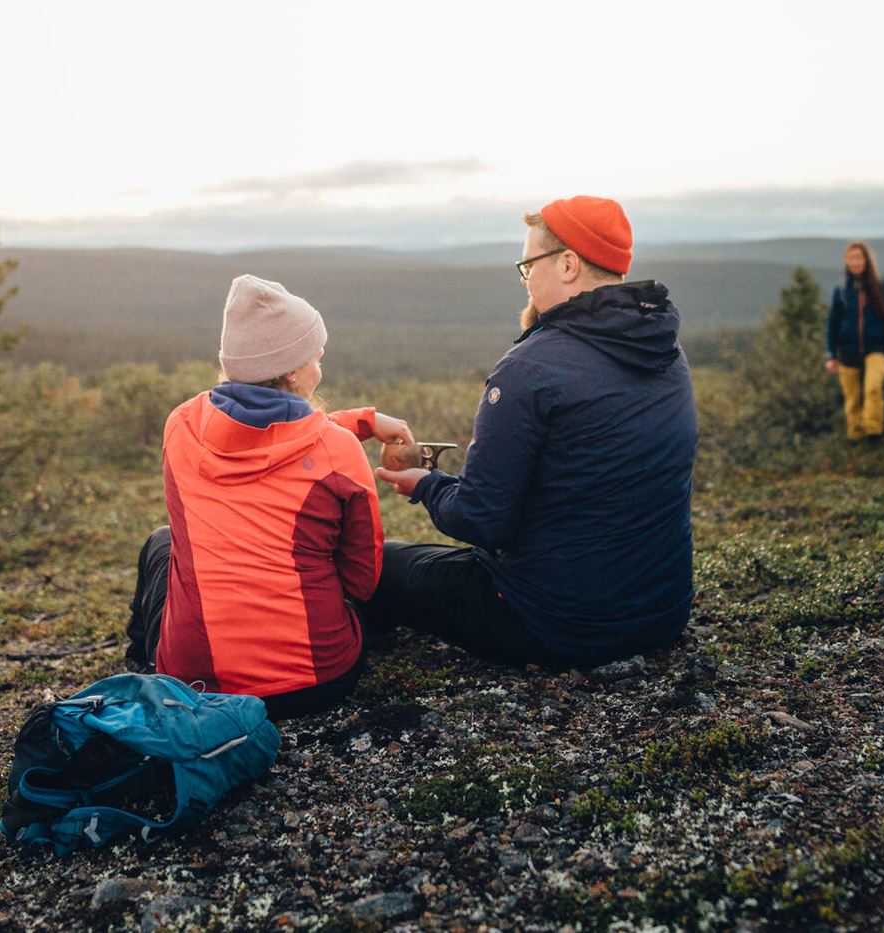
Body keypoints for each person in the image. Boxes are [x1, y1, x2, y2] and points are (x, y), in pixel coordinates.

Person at [369, 196, 699, 669]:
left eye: (529, 265)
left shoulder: (529, 369)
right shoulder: (665, 351)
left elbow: (484, 522)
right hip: (662, 613)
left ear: (567, 264)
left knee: (386, 563)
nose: (526, 280)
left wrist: (427, 484)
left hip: (553, 624)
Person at [124, 274, 414, 719]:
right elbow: (362, 581)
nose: (320, 369)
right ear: (293, 370)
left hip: (197, 682)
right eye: (316, 358)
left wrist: (361, 420)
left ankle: (144, 663)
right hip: (316, 681)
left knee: (165, 542)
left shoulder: (180, 426)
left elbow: (261, 438)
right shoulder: (338, 453)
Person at [825, 241, 884, 440]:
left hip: (876, 348)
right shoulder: (841, 290)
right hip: (847, 351)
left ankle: (873, 432)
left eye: (859, 258)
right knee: (852, 399)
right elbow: (832, 324)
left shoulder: (881, 286)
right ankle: (855, 436)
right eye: (852, 258)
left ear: (867, 261)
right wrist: (831, 355)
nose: (855, 262)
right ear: (846, 261)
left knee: (873, 388)